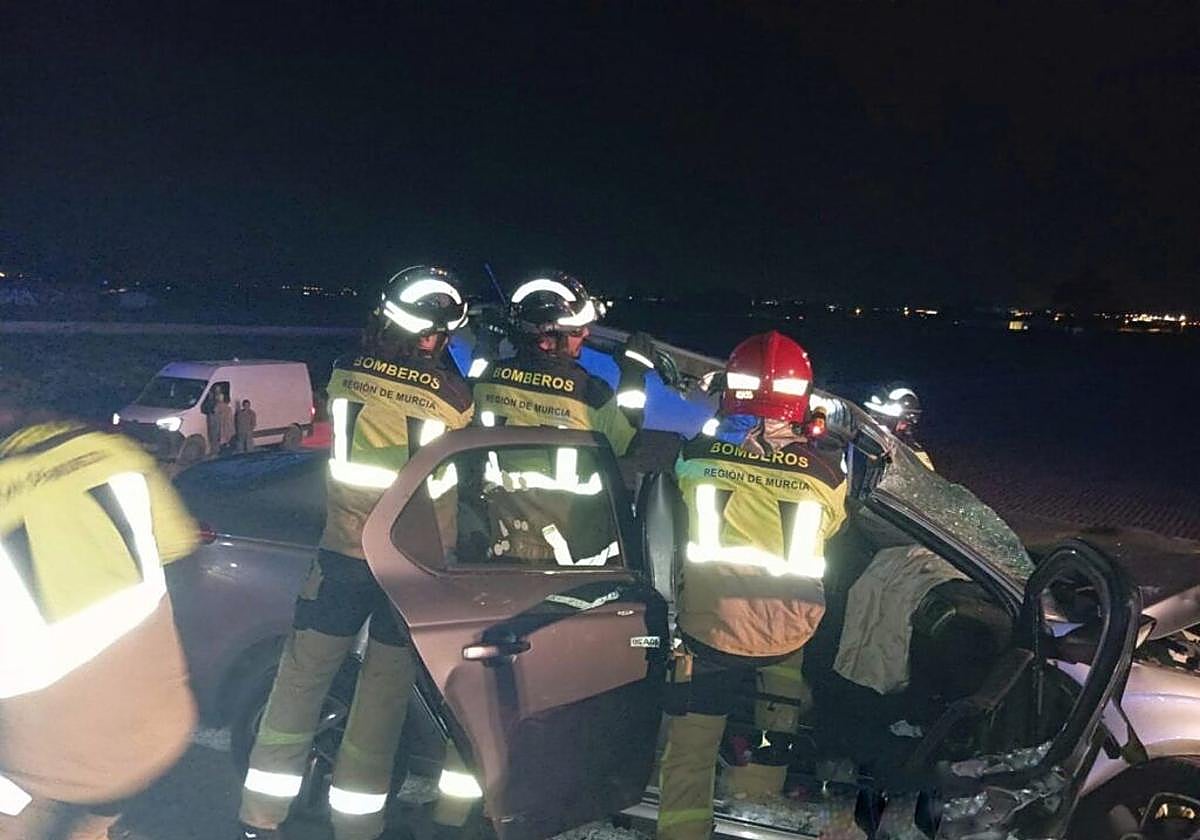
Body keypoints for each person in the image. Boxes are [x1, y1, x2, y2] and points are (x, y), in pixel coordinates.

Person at [236, 266, 474, 840]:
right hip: (406, 569)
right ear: (433, 335)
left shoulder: (344, 371)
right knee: (382, 696)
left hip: (341, 555)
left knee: (298, 682)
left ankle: (260, 817)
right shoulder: (450, 396)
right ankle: (357, 827)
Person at [658, 331, 849, 840]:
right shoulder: (827, 473)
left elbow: (686, 478)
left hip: (709, 628)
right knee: (774, 727)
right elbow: (834, 526)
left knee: (691, 748)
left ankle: (681, 831)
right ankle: (755, 806)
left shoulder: (697, 455)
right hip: (787, 632)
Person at [0, 373, 199, 840]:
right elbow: (181, 552)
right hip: (158, 730)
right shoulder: (117, 455)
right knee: (92, 820)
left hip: (38, 765)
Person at [469, 270, 657, 561]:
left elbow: (469, 394)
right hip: (573, 548)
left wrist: (486, 344)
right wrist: (633, 374)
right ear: (546, 339)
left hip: (501, 536)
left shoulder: (487, 380)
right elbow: (627, 443)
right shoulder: (591, 394)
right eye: (576, 331)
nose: (586, 334)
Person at [864, 382, 932, 470]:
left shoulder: (915, 454)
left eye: (885, 421)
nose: (877, 425)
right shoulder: (863, 444)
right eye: (875, 418)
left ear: (904, 424)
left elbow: (925, 476)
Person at [215, 388, 235, 455]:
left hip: (225, 426)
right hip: (222, 426)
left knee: (225, 438)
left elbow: (230, 419)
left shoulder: (227, 408)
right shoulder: (220, 407)